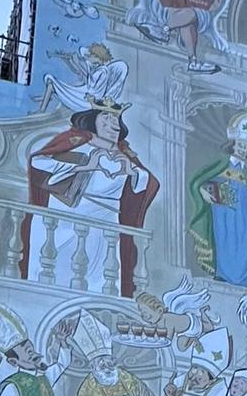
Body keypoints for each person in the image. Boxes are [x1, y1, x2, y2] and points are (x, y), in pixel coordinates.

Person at [24, 101, 159, 296]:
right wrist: (83, 165)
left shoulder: (125, 155)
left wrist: (132, 172)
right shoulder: (76, 144)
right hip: (67, 222)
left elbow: (147, 183)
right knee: (62, 274)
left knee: (98, 279)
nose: (113, 124)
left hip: (105, 224)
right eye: (106, 118)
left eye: (116, 120)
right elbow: (38, 162)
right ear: (91, 121)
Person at [187, 112, 247, 285]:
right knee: (225, 244)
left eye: (245, 146)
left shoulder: (245, 174)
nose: (243, 148)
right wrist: (204, 192)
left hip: (242, 218)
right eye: (240, 145)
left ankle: (246, 280)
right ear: (233, 145)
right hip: (223, 215)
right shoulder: (222, 165)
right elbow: (201, 181)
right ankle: (224, 275)